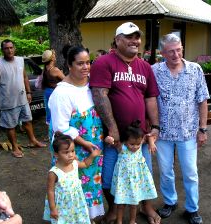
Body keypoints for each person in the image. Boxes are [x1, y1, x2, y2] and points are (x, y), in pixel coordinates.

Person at [90, 22, 161, 224]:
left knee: (143, 175)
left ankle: (146, 207)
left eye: (137, 37)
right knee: (109, 178)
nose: (135, 41)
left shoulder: (145, 67)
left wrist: (155, 126)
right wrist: (113, 129)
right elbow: (99, 95)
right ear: (117, 40)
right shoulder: (104, 62)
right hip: (115, 138)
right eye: (129, 37)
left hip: (139, 138)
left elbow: (150, 98)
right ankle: (114, 208)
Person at [151, 34, 209, 224]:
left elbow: (202, 100)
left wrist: (203, 129)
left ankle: (192, 209)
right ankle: (170, 201)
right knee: (166, 171)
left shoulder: (195, 70)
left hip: (188, 133)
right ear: (162, 53)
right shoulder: (154, 71)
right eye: (171, 51)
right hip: (163, 133)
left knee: (190, 172)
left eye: (179, 49)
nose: (176, 54)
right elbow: (149, 99)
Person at [48, 46, 105, 221]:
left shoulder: (92, 86)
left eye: (88, 62)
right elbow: (61, 129)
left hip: (95, 148)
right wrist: (85, 143)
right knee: (74, 189)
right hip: (73, 152)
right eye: (80, 63)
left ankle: (88, 218)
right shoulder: (62, 93)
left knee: (91, 187)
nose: (86, 67)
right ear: (69, 65)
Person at [0, 39, 46, 158]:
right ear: (2, 50)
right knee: (11, 125)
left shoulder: (20, 61)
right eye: (6, 48)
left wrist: (29, 92)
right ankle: (14, 147)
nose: (9, 50)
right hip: (8, 102)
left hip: (22, 98)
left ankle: (33, 140)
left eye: (11, 47)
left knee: (27, 120)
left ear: (14, 48)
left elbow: (24, 77)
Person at [105, 120, 157, 224]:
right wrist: (108, 139)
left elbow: (149, 136)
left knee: (134, 203)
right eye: (132, 144)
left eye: (138, 144)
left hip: (136, 182)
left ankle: (132, 221)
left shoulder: (140, 143)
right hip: (123, 182)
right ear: (125, 141)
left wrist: (151, 143)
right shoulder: (121, 147)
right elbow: (110, 142)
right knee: (121, 203)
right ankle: (119, 221)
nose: (135, 147)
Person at [43, 132, 101, 224]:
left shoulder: (74, 163)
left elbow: (85, 164)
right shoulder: (54, 172)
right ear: (56, 154)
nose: (70, 155)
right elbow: (50, 191)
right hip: (62, 204)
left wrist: (93, 155)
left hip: (76, 201)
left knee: (77, 218)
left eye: (72, 151)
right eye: (66, 152)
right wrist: (53, 209)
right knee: (63, 220)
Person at [41, 49, 65, 125]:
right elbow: (66, 80)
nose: (55, 56)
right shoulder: (55, 70)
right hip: (54, 93)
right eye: (54, 55)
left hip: (47, 92)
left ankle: (50, 132)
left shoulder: (45, 69)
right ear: (52, 58)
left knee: (49, 113)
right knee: (57, 113)